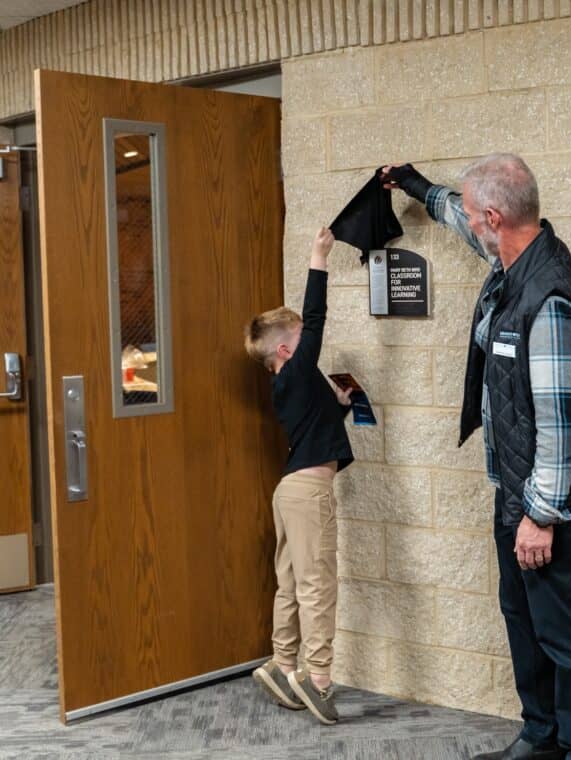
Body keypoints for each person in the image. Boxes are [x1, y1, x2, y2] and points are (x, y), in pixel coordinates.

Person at [383, 155, 571, 760]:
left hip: (546, 500)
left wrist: (540, 515)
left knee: (564, 633)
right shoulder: (510, 258)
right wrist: (413, 186)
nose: (465, 218)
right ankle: (541, 738)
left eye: (469, 208)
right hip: (513, 487)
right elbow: (458, 221)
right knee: (523, 618)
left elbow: (565, 422)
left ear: (495, 215)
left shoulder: (549, 295)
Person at [243, 227, 354, 725]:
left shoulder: (292, 387)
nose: (307, 343)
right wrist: (318, 257)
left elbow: (317, 424)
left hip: (290, 489)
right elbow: (315, 318)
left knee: (289, 581)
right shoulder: (294, 369)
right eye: (299, 342)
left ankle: (283, 663)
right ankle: (319, 678)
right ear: (285, 352)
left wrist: (341, 406)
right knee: (318, 583)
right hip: (309, 491)